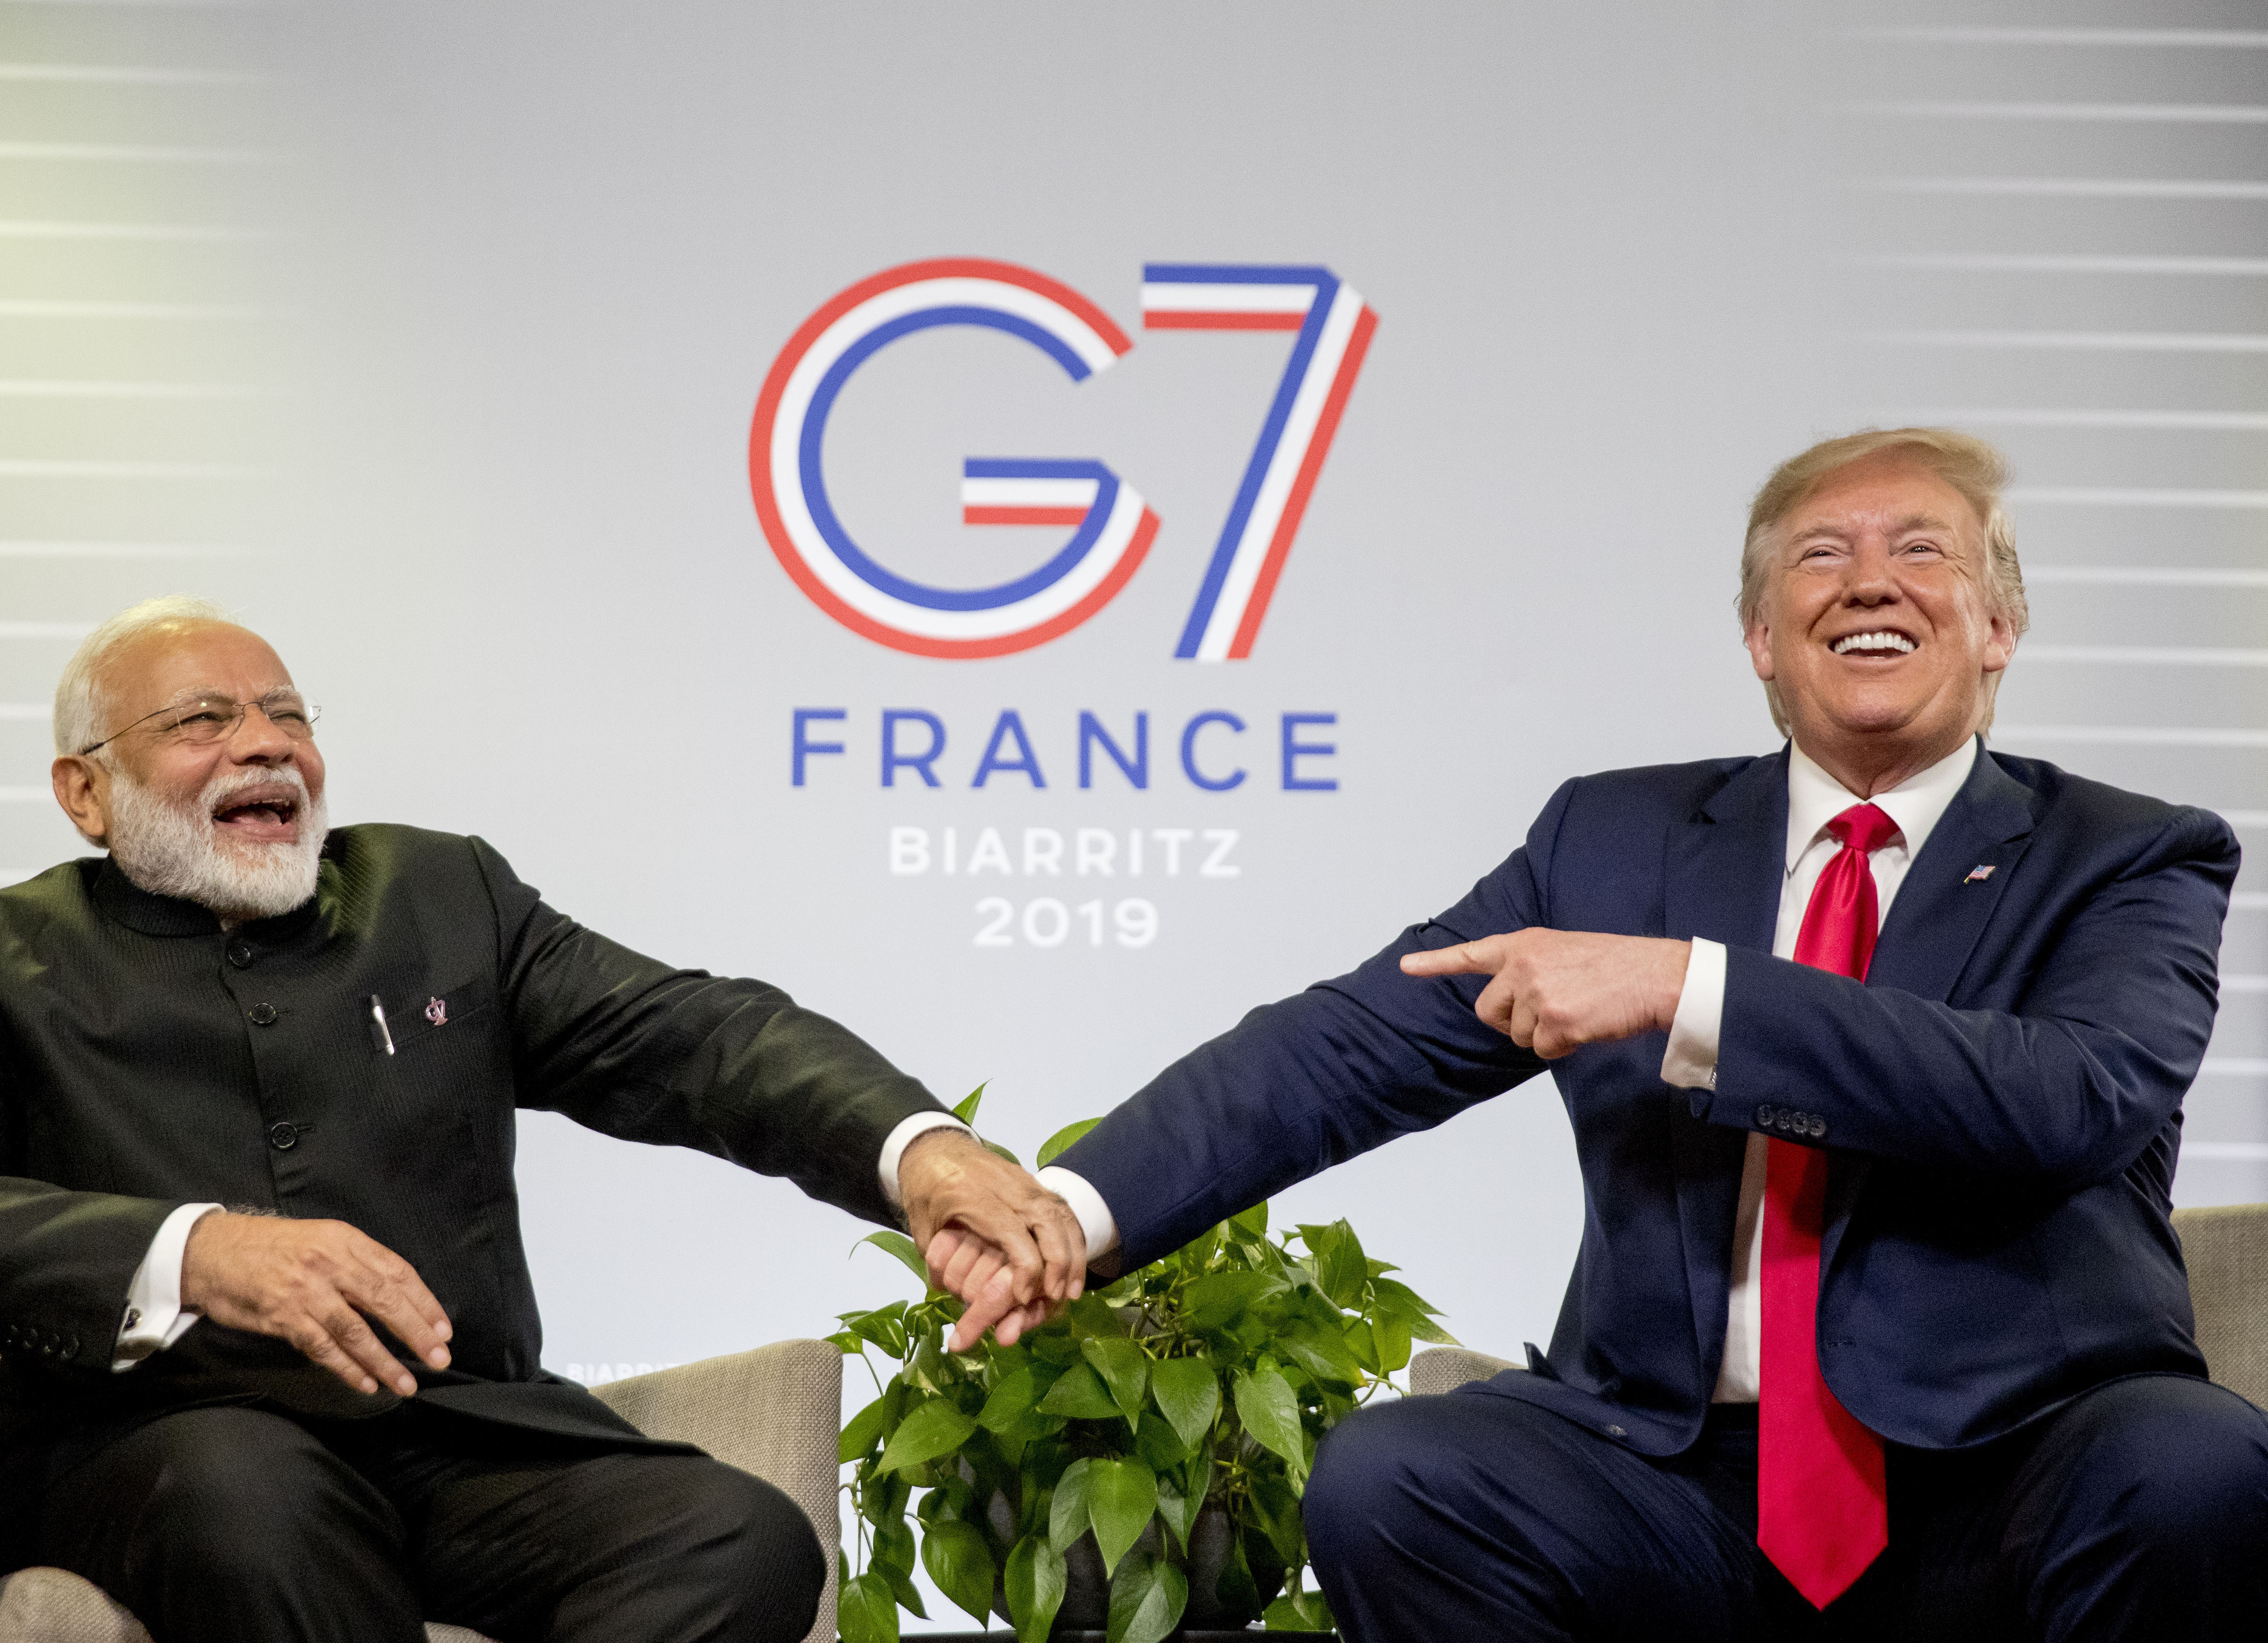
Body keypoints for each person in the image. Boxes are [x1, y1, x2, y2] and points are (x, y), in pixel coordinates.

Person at [938, 428, 2268, 1640]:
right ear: (1761, 633)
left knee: (2194, 1467)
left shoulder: (2128, 854)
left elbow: (2070, 1095)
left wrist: (1696, 993)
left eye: (1921, 549)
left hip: (2011, 1470)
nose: (1871, 581)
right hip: (1672, 1479)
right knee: (1400, 1477)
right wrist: (1070, 1205)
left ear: (2000, 626)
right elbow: (1348, 1047)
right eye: (1822, 554)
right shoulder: (1614, 839)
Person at [0, 597, 1084, 1643]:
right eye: (205, 718)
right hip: (160, 1448)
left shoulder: (438, 893)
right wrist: (195, 1249)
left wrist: (920, 1151)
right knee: (245, 1497)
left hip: (460, 1441)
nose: (265, 743)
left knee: (739, 1538)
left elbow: (697, 1036)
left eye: (288, 713)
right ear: (85, 791)